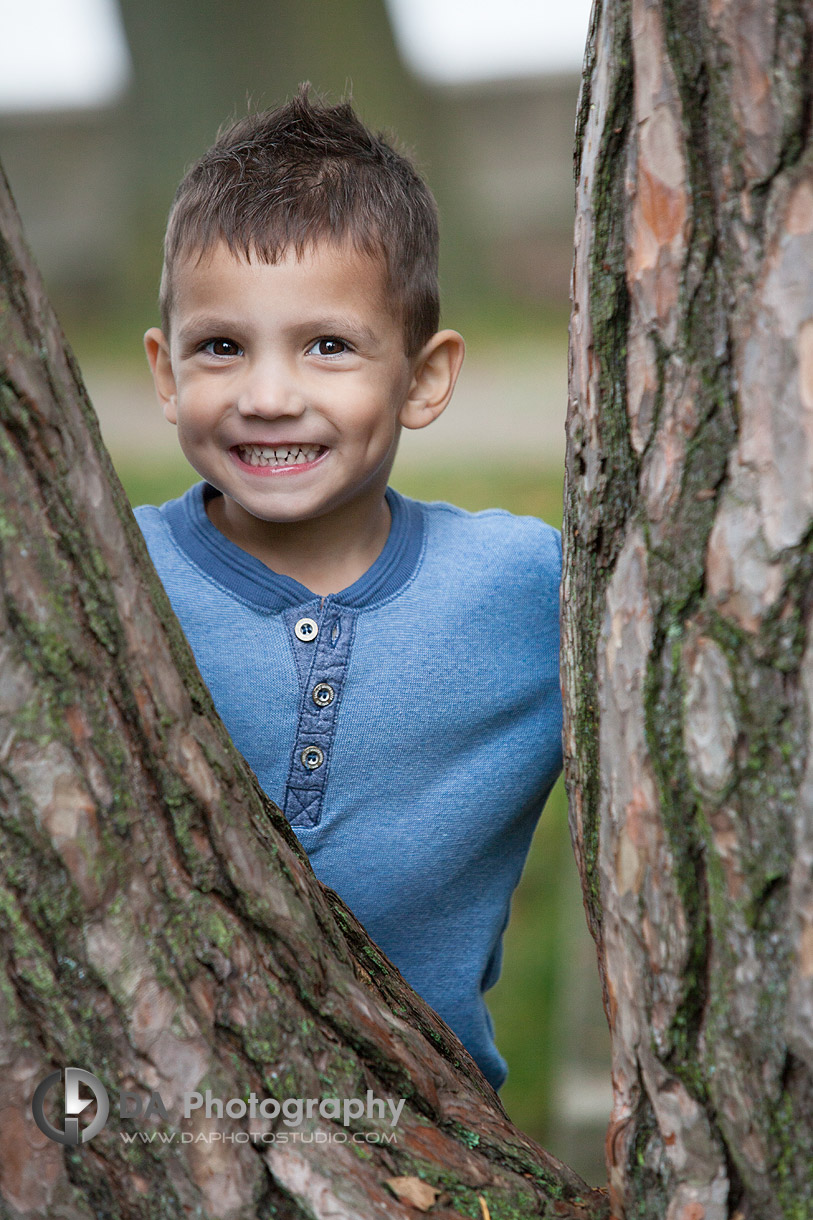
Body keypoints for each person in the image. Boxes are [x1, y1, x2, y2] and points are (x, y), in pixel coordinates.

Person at [135, 86, 561, 1092]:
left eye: (328, 345)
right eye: (221, 346)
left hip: (429, 1128)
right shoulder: (119, 575)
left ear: (422, 378)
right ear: (164, 372)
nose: (269, 395)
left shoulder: (524, 588)